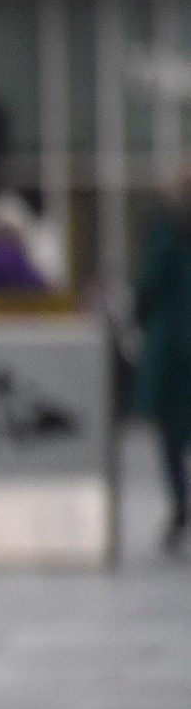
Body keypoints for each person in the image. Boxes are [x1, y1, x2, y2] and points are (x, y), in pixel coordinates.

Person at [135, 177, 191, 553]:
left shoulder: (166, 235)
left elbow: (146, 288)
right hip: (174, 350)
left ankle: (179, 504)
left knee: (171, 440)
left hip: (173, 353)